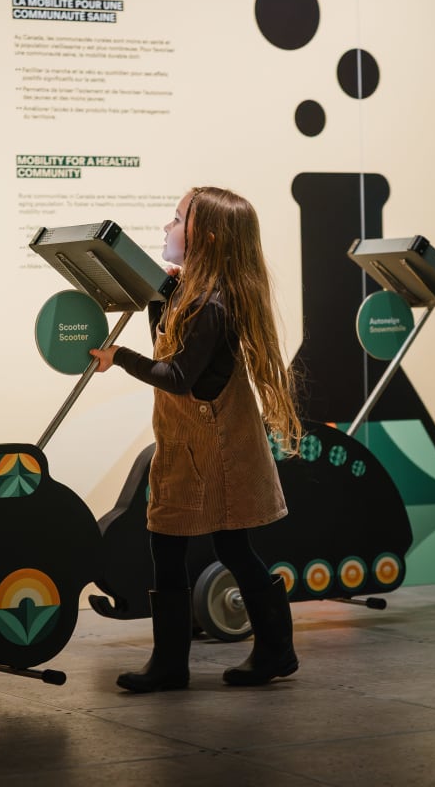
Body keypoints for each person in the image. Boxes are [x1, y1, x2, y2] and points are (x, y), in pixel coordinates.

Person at [90, 186, 301, 691]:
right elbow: (170, 347)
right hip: (189, 445)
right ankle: (173, 662)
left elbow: (178, 376)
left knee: (231, 546)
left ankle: (273, 649)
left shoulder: (213, 305)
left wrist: (118, 358)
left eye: (177, 218)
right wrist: (161, 298)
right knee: (171, 544)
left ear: (204, 237)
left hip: (221, 449)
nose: (167, 226)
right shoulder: (195, 297)